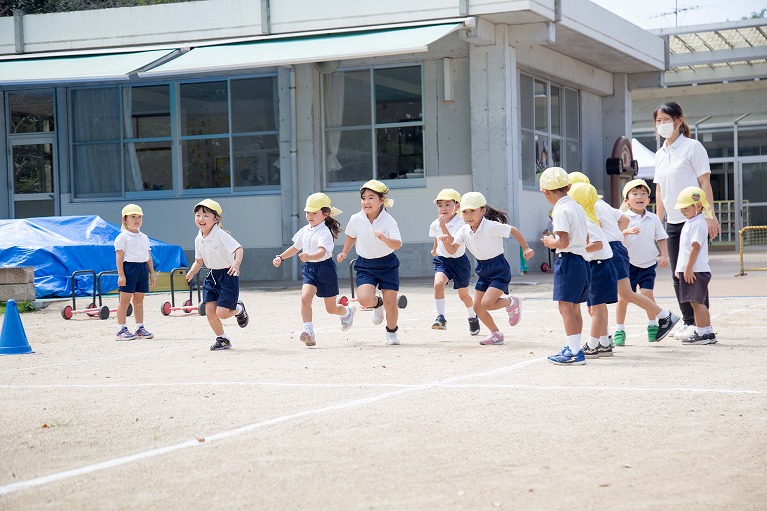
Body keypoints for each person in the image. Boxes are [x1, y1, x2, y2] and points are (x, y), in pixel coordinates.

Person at [568, 172, 679, 345]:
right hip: (613, 249)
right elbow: (624, 219)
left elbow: (599, 232)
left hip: (607, 251)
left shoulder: (588, 205)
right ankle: (605, 340)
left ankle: (664, 316)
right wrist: (616, 235)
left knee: (619, 295)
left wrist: (607, 238)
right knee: (599, 301)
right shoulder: (600, 203)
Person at [653, 101, 720, 340]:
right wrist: (656, 223)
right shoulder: (660, 154)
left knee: (696, 271)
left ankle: (702, 325)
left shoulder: (693, 147)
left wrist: (710, 216)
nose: (662, 125)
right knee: (678, 274)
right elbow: (659, 191)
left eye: (666, 120)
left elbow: (704, 183)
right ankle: (689, 321)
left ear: (679, 121)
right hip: (672, 221)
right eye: (658, 121)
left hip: (694, 219)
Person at [441, 192, 533, 346]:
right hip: (482, 269)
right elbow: (452, 250)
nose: (469, 215)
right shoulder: (464, 230)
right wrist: (444, 240)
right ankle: (496, 334)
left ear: (483, 211)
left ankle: (511, 302)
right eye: (465, 211)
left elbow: (514, 231)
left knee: (488, 303)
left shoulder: (491, 226)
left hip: (498, 268)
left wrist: (526, 248)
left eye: (473, 211)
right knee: (477, 306)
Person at [273, 193, 355, 347]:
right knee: (305, 298)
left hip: (325, 270)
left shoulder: (325, 232)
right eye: (307, 212)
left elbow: (322, 252)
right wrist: (281, 257)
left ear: (326, 214)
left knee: (330, 309)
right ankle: (309, 331)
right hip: (310, 269)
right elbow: (295, 247)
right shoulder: (305, 230)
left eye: (314, 213)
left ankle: (347, 312)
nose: (309, 216)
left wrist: (309, 256)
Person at [337, 180, 403, 345]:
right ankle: (377, 304)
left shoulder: (388, 220)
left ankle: (391, 332)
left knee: (391, 303)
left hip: (387, 264)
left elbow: (398, 244)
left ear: (381, 201)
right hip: (365, 265)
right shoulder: (356, 218)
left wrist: (384, 238)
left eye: (371, 198)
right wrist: (344, 252)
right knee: (365, 300)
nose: (366, 202)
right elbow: (351, 235)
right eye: (363, 198)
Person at [539, 167, 589, 365]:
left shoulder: (560, 209)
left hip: (568, 260)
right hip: (581, 260)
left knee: (565, 306)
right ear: (568, 186)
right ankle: (575, 346)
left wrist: (550, 242)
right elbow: (584, 237)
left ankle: (575, 352)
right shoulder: (576, 206)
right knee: (574, 306)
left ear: (546, 192)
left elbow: (563, 241)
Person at [185, 199, 249, 351]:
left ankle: (239, 309)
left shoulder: (220, 235)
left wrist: (237, 263)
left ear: (216, 219)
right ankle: (223, 339)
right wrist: (192, 271)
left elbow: (239, 249)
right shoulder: (198, 238)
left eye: (206, 215)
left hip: (227, 275)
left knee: (223, 313)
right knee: (210, 312)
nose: (201, 219)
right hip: (212, 276)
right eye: (198, 215)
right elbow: (199, 261)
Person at [615, 179, 670, 344]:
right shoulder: (623, 217)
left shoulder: (653, 219)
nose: (639, 197)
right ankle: (619, 329)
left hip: (648, 264)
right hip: (627, 264)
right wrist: (626, 231)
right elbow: (615, 236)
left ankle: (653, 325)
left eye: (643, 194)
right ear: (626, 200)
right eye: (635, 193)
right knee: (623, 298)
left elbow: (661, 238)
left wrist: (664, 256)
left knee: (647, 294)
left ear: (649, 199)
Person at [568, 183, 617, 359]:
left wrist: (579, 248)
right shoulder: (591, 218)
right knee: (599, 308)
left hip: (598, 266)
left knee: (596, 309)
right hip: (600, 265)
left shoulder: (587, 222)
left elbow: (597, 244)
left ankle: (592, 344)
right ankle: (604, 344)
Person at [428, 188, 480, 335]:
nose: (443, 208)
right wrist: (435, 248)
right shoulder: (435, 223)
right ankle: (441, 317)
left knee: (463, 295)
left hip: (459, 262)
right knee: (438, 284)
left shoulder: (461, 224)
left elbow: (452, 244)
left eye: (447, 204)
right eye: (440, 205)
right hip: (442, 260)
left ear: (457, 207)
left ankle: (472, 316)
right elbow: (437, 237)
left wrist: (444, 227)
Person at [674, 186, 717, 344]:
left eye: (686, 208)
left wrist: (688, 268)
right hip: (695, 269)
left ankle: (700, 332)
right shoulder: (692, 221)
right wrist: (681, 268)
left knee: (696, 303)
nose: (683, 211)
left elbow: (695, 246)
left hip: (695, 270)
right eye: (682, 208)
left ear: (698, 206)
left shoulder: (697, 223)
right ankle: (707, 331)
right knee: (700, 302)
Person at [114, 204, 156, 341]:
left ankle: (139, 328)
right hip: (129, 269)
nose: (136, 220)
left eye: (139, 217)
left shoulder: (144, 237)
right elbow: (119, 256)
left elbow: (148, 255)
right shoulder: (122, 237)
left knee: (139, 300)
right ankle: (121, 329)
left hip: (142, 269)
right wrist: (121, 274)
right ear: (124, 219)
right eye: (133, 217)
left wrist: (152, 272)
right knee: (124, 301)